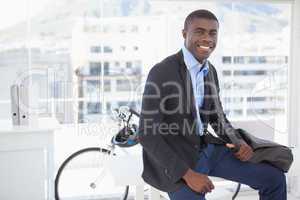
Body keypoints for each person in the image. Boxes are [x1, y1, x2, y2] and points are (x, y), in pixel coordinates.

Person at [138, 9, 287, 200]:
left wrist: (237, 141)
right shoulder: (162, 72)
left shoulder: (210, 71)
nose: (207, 38)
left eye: (212, 33)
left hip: (206, 149)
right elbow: (147, 133)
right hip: (178, 160)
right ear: (185, 34)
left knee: (273, 179)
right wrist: (188, 174)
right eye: (199, 31)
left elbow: (218, 118)